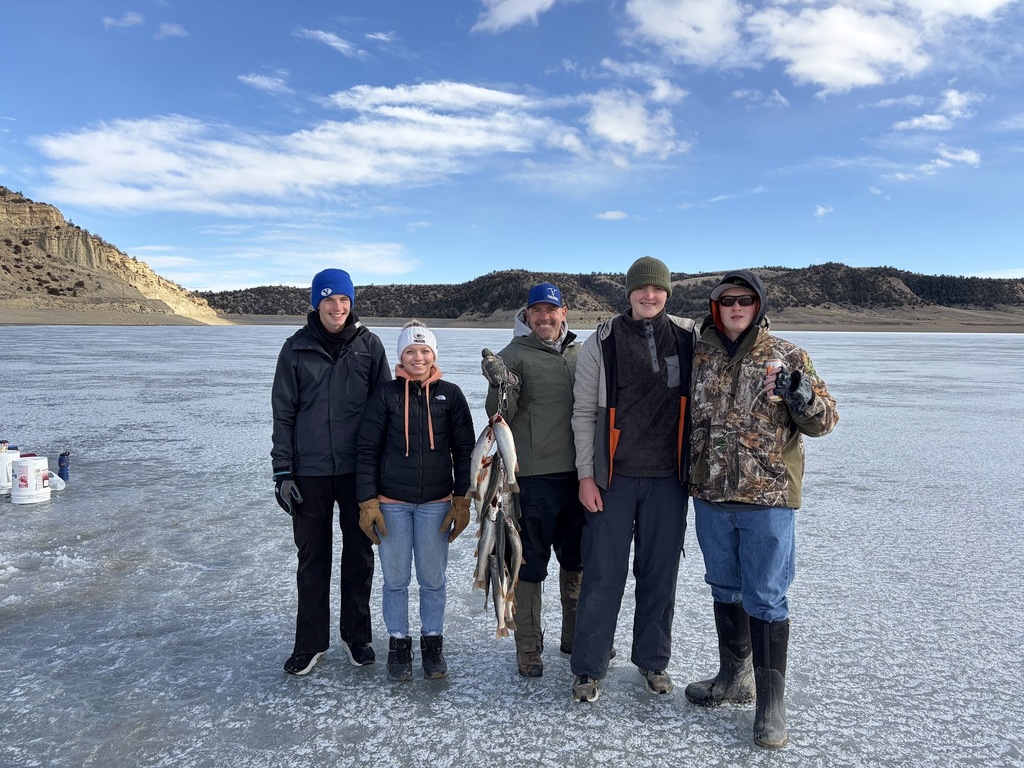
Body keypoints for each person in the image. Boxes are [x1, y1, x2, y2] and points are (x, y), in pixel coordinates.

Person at [684, 270, 838, 749]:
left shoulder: (788, 355)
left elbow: (826, 420)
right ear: (715, 305)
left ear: (758, 304)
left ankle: (771, 705)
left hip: (768, 497)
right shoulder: (699, 354)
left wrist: (801, 395)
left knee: (767, 596)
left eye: (745, 300)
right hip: (711, 494)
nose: (735, 307)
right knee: (724, 587)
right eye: (727, 299)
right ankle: (735, 677)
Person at [569, 256, 697, 703]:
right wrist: (587, 476)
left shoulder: (688, 337)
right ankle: (588, 668)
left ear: (667, 293)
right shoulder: (601, 341)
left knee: (659, 573)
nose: (649, 296)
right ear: (629, 293)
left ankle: (653, 661)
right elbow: (584, 414)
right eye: (641, 289)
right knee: (604, 574)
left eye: (657, 289)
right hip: (614, 478)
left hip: (668, 479)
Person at [271, 268, 391, 676]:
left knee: (359, 555)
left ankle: (357, 638)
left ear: (351, 302)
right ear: (315, 303)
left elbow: (384, 412)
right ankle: (310, 643)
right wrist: (282, 471)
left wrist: (380, 472)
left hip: (358, 472)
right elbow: (283, 413)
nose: (337, 307)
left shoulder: (370, 347)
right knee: (312, 559)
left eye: (343, 300)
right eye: (328, 300)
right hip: (310, 472)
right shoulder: (295, 349)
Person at [356, 321, 475, 682]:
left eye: (424, 351)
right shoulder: (385, 395)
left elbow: (465, 450)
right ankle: (398, 642)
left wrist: (462, 498)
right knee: (395, 580)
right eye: (410, 351)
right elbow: (366, 450)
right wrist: (368, 501)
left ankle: (432, 641)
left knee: (432, 579)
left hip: (436, 504)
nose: (418, 357)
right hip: (391, 502)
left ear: (434, 354)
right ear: (401, 357)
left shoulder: (451, 395)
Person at [480, 282, 585, 678]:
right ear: (526, 315)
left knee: (577, 560)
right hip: (535, 477)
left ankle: (575, 637)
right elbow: (499, 412)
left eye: (551, 310)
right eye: (536, 311)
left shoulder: (581, 353)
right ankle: (528, 645)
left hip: (581, 474)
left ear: (564, 312)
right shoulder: (513, 355)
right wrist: (498, 383)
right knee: (530, 562)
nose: (544, 317)